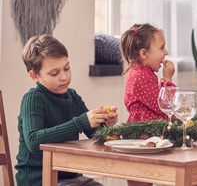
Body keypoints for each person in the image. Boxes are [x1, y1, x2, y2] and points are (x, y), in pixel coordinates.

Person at [16, 35, 118, 186]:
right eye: (54, 73)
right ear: (35, 76)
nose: (64, 77)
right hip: (38, 179)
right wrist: (82, 122)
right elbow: (33, 140)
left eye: (67, 68)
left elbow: (94, 135)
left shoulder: (72, 97)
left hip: (71, 176)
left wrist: (104, 122)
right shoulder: (33, 99)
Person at [120, 23, 176, 122]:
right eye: (162, 48)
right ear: (144, 53)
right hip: (146, 133)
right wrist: (168, 78)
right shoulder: (140, 76)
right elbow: (166, 107)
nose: (166, 52)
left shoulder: (144, 72)